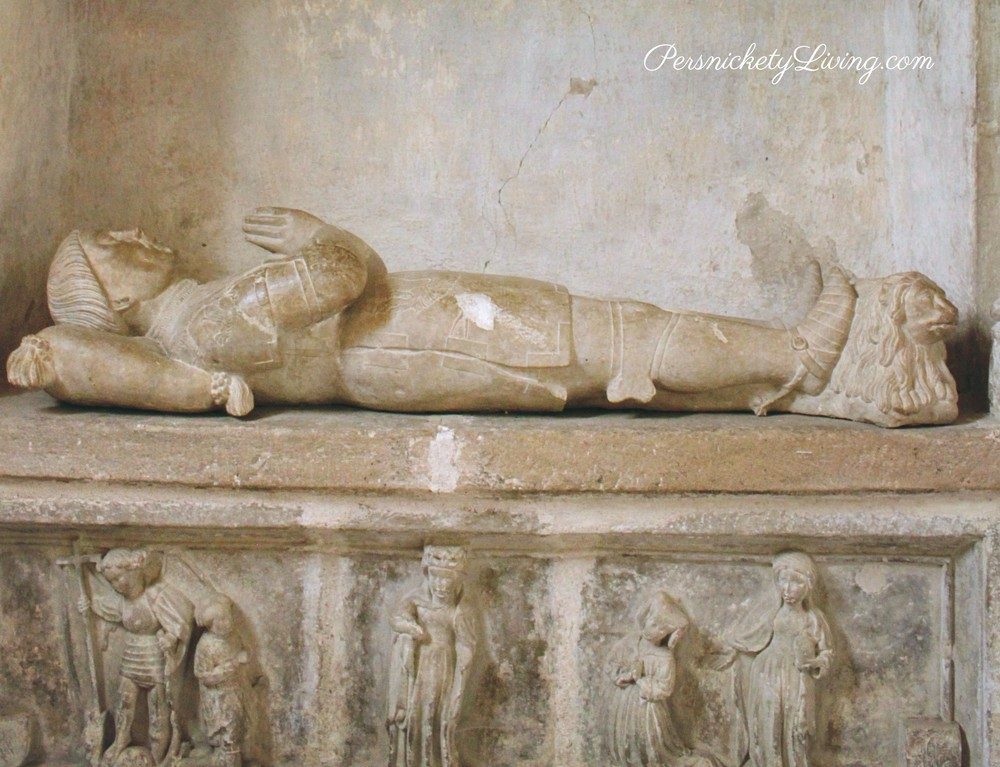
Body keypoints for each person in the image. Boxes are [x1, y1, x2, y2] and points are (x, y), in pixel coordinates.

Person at [6, 207, 861, 419]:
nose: (133, 231)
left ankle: (778, 374)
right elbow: (339, 275)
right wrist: (321, 233)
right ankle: (801, 354)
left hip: (397, 335)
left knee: (607, 354)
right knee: (611, 336)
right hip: (397, 330)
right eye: (109, 241)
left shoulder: (199, 324)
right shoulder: (198, 322)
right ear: (115, 295)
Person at [708, 552, 833, 767]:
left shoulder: (813, 618)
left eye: (796, 582)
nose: (787, 589)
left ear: (808, 585)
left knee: (797, 726)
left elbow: (827, 652)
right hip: (768, 671)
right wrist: (728, 651)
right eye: (783, 580)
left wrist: (815, 663)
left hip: (798, 677)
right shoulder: (772, 611)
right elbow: (749, 636)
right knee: (768, 719)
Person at [80, 549, 193, 766]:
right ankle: (121, 739)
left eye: (118, 578)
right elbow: (104, 608)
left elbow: (181, 622)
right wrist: (88, 606)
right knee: (124, 701)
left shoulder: (156, 595)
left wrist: (170, 638)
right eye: (111, 581)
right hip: (131, 657)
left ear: (134, 571)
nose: (116, 585)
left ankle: (159, 751)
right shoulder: (122, 601)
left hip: (154, 659)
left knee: (158, 709)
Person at [387, 546, 478, 767]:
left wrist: (459, 685)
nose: (442, 585)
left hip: (442, 667)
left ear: (457, 581)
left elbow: (466, 645)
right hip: (417, 665)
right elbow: (397, 618)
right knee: (411, 715)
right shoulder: (416, 600)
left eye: (448, 580)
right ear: (428, 576)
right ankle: (410, 760)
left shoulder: (460, 610)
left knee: (437, 717)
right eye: (437, 578)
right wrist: (411, 630)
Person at [607, 591, 720, 767]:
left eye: (661, 629)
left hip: (649, 712)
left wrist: (640, 680)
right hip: (625, 706)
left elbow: (664, 689)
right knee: (627, 746)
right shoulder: (630, 643)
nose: (654, 630)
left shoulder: (664, 658)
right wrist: (624, 675)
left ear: (667, 634)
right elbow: (613, 665)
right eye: (653, 623)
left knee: (649, 748)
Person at [193, 598, 249, 767]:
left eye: (228, 617)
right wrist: (232, 665)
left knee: (236, 734)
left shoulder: (234, 637)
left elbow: (244, 653)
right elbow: (203, 675)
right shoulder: (206, 645)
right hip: (218, 698)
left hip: (236, 692)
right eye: (222, 620)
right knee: (227, 737)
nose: (228, 623)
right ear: (211, 624)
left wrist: (245, 656)